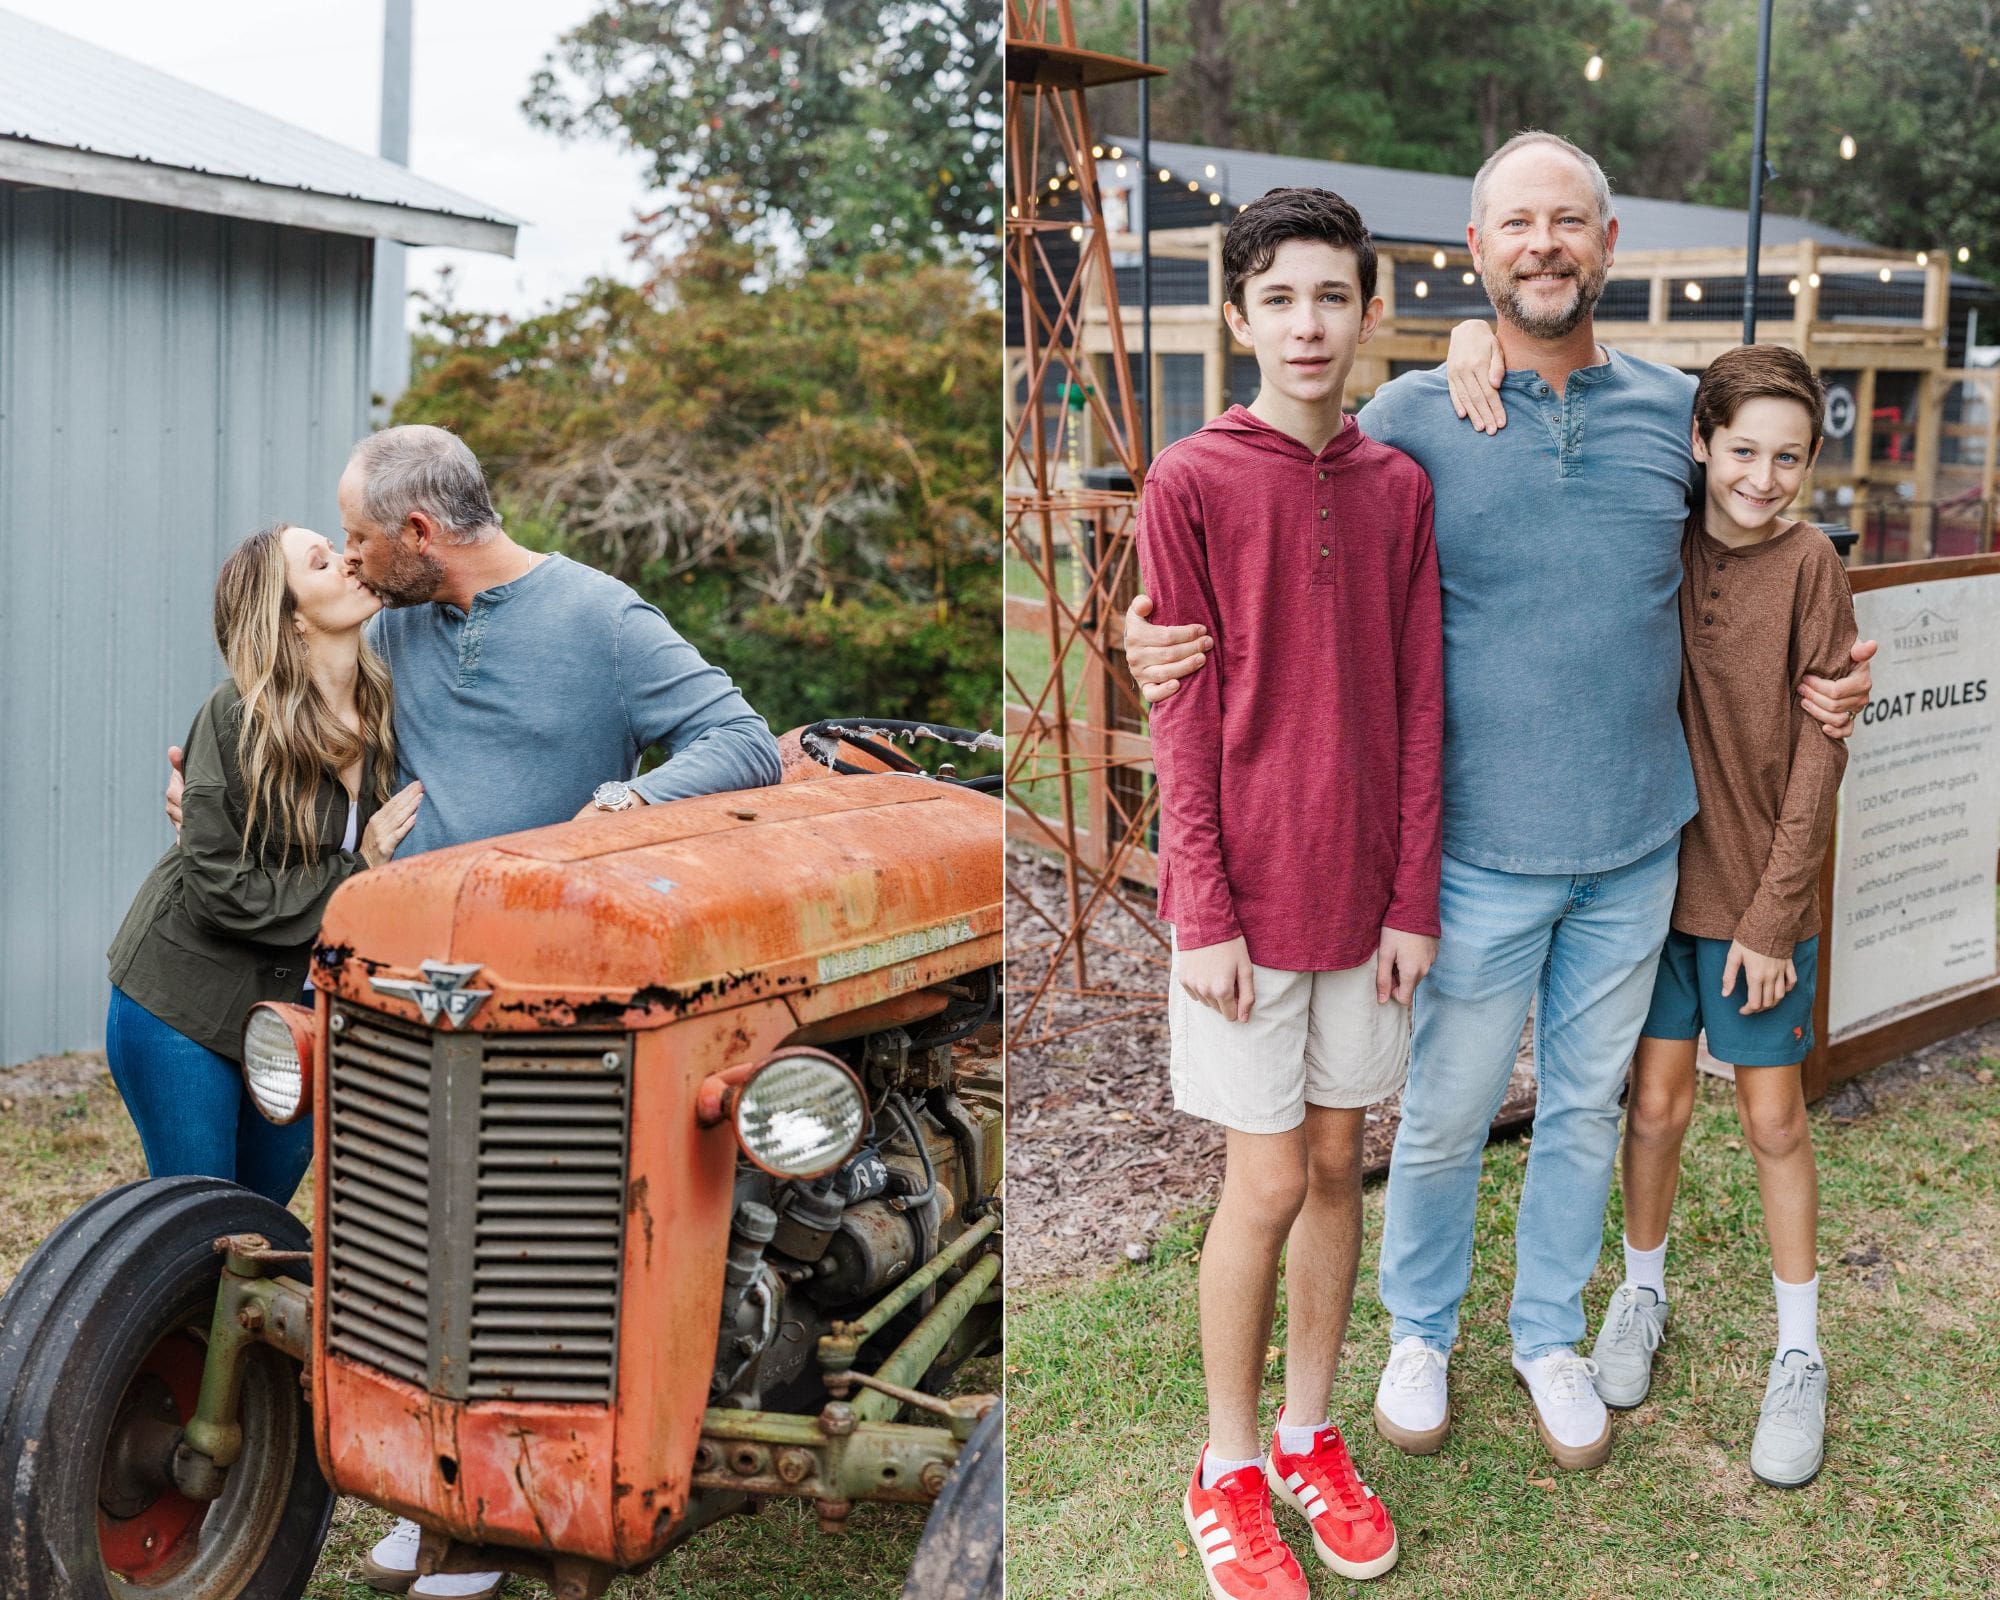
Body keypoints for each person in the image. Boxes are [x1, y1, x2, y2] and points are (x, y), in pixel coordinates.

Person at [1122, 131, 1876, 1474]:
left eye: (1568, 221)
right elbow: (1278, 525)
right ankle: (1422, 1329)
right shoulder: (1407, 419)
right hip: (1470, 850)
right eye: (1515, 223)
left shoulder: (1670, 415)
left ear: (1607, 245)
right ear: (1473, 254)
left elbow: (1750, 557)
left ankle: (1545, 1334)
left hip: (1638, 844)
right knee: (1450, 1112)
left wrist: (1825, 677)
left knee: (1586, 1110)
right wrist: (1155, 641)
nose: (1543, 243)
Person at [164, 427, 781, 1600]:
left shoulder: (600, 619)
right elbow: (287, 683)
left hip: (559, 998)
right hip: (401, 990)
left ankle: (522, 1503)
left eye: (356, 535)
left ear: (419, 535)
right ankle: (421, 1492)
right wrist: (202, 761)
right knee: (398, 1241)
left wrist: (626, 802)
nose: (344, 557)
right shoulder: (392, 619)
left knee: (536, 1255)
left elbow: (740, 739)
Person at [1144, 187, 1440, 1597]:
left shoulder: (1397, 490)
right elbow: (1182, 715)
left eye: (1334, 297)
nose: (1310, 324)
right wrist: (1201, 906)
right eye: (1281, 299)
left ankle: (1311, 1431)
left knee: (1336, 1168)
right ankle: (1226, 1464)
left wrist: (1412, 896)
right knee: (1261, 1181)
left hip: (1366, 905)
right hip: (1245, 917)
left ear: (1369, 311)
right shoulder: (1191, 481)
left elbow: (1421, 703)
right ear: (1239, 313)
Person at [1578, 345, 1852, 1488]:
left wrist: (1773, 915)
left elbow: (1819, 747)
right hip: (1646, 889)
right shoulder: (1657, 538)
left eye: (1787, 456)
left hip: (1754, 906)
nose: (1762, 475)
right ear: (1700, 442)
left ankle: (1799, 1352)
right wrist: (1467, 339)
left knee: (1772, 1121)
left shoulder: (1809, 565)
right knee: (1653, 1106)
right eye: (1741, 449)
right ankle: (1639, 1293)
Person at [106, 524, 423, 1206]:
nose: (349, 562)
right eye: (322, 562)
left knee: (262, 1214)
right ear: (292, 617)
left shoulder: (396, 707)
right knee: (198, 1218)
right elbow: (218, 889)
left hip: (304, 1008)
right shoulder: (235, 719)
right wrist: (357, 868)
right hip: (183, 1000)